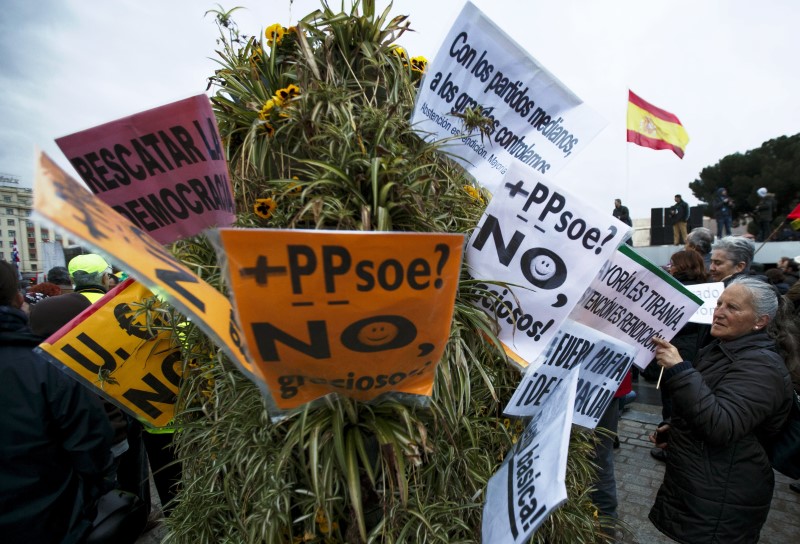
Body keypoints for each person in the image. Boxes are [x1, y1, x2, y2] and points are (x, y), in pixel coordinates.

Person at [648, 277, 795, 543]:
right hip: (701, 485)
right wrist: (677, 429)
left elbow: (721, 425)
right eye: (719, 303)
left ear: (760, 321)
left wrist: (680, 369)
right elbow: (709, 404)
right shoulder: (720, 349)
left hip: (724, 495)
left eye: (733, 307)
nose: (719, 312)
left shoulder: (762, 367)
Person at [0, 261, 116, 544]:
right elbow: (91, 446)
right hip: (48, 522)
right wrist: (86, 503)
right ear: (17, 298)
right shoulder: (45, 368)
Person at [650, 250, 709, 463]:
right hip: (698, 352)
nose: (670, 267)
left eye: (672, 263)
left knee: (672, 399)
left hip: (677, 350)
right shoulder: (707, 289)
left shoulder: (676, 290)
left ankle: (669, 444)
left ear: (681, 266)